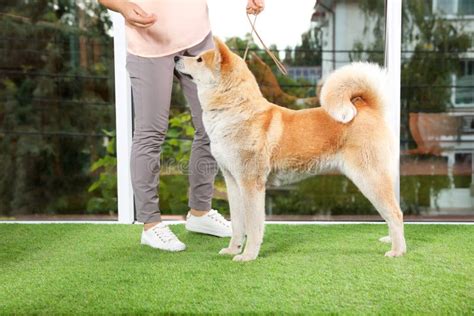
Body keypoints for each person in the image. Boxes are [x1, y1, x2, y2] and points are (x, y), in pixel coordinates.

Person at [98, 0, 265, 252]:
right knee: (150, 133)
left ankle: (200, 212)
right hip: (149, 42)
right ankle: (151, 224)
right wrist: (121, 5)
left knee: (212, 127)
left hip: (197, 36)